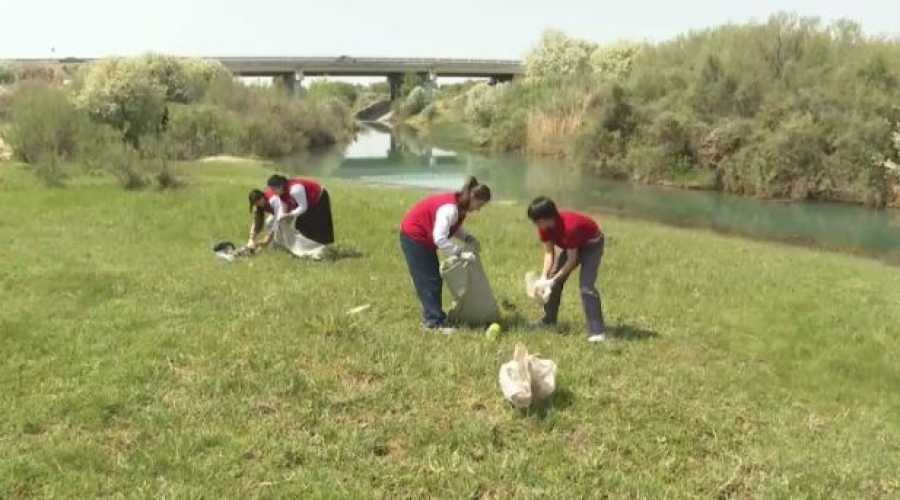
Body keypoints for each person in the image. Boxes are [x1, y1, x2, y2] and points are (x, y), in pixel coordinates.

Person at [399, 177, 492, 333]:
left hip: (422, 237)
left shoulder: (460, 207)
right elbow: (440, 238)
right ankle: (433, 323)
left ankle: (436, 318)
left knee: (433, 278)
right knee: (429, 279)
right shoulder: (450, 209)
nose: (479, 209)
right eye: (479, 205)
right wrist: (460, 253)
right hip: (414, 237)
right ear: (473, 197)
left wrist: (467, 238)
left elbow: (453, 227)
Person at [527, 197, 607, 343]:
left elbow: (571, 260)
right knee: (552, 277)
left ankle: (597, 332)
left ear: (548, 218)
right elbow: (549, 253)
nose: (536, 225)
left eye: (537, 221)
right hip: (573, 246)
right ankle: (548, 320)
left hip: (592, 245)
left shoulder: (570, 227)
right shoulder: (544, 228)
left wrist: (553, 281)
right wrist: (545, 278)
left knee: (586, 287)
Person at [247, 174, 334, 249]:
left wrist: (289, 215)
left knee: (316, 225)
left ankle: (321, 248)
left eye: (273, 190)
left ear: (280, 186)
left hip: (319, 198)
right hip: (306, 204)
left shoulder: (294, 190)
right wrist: (252, 238)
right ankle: (300, 246)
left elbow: (303, 207)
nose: (272, 192)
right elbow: (280, 213)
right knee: (300, 225)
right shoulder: (280, 194)